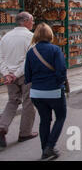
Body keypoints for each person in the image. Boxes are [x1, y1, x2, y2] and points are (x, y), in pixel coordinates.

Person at [24, 23, 67, 161]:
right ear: (50, 35)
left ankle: (44, 150)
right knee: (60, 117)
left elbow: (27, 74)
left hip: (36, 92)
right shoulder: (55, 50)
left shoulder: (31, 52)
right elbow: (61, 71)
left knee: (44, 120)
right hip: (54, 91)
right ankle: (50, 146)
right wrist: (59, 84)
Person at [0, 12, 37, 151]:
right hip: (24, 74)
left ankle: (2, 127)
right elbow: (29, 61)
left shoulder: (6, 37)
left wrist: (7, 74)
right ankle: (25, 132)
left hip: (9, 74)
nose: (33, 23)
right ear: (26, 21)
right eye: (32, 20)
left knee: (12, 101)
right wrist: (15, 74)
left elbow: (1, 58)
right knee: (28, 101)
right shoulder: (30, 37)